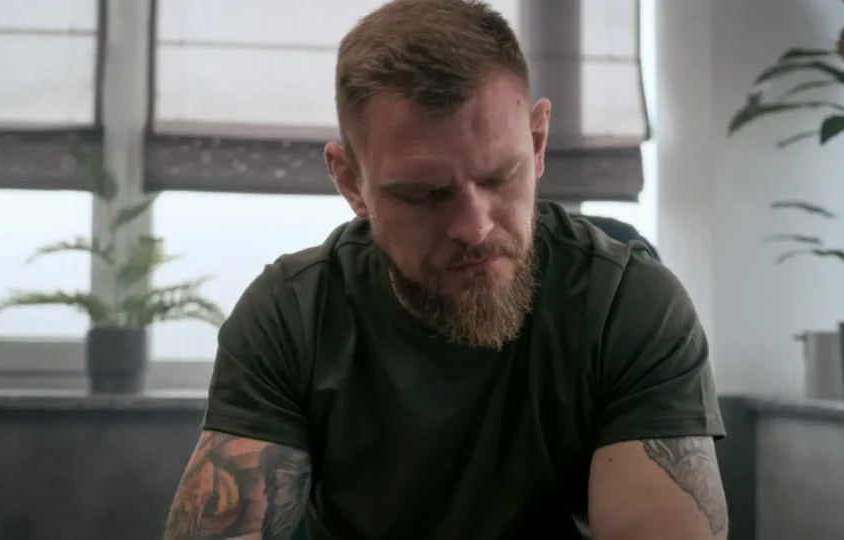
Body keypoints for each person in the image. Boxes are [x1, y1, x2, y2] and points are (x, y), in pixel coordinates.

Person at [162, 1, 728, 539]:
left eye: (499, 177)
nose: (475, 227)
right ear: (352, 183)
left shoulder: (629, 305)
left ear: (537, 143)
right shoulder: (292, 318)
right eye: (424, 194)